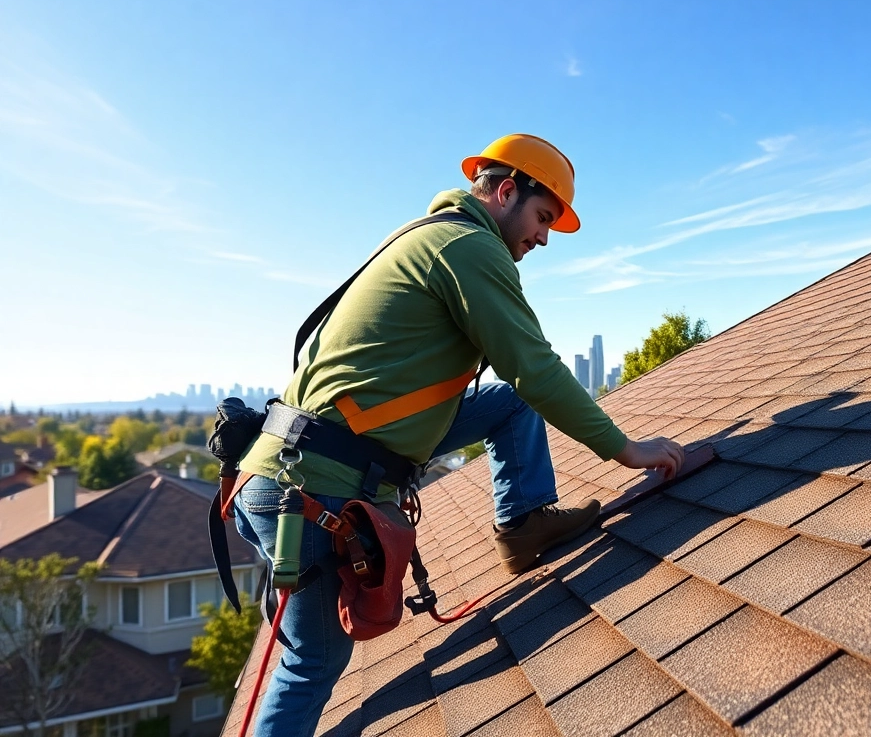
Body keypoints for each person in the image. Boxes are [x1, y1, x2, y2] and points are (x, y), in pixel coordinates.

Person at [231, 134, 686, 735]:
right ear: (506, 192)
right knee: (311, 662)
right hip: (312, 485)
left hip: (299, 463)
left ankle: (522, 523)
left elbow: (518, 385)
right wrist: (627, 450)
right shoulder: (470, 246)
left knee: (508, 405)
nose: (543, 238)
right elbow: (534, 366)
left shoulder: (428, 235)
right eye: (542, 217)